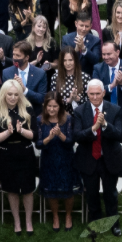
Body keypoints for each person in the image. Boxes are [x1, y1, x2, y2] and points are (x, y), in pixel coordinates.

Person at [74, 79, 122, 232]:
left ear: (103, 93)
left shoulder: (114, 110)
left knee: (110, 194)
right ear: (87, 94)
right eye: (91, 94)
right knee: (92, 195)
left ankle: (113, 225)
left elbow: (120, 134)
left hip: (109, 159)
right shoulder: (80, 112)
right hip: (89, 159)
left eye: (98, 94)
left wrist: (105, 125)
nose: (95, 97)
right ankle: (95, 224)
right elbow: (77, 136)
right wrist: (94, 128)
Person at [0, 78, 38, 235]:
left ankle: (28, 221)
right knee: (11, 190)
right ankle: (17, 222)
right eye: (9, 94)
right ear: (4, 94)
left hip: (25, 152)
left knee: (28, 189)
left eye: (16, 94)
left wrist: (21, 131)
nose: (12, 97)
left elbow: (35, 136)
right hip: (6, 153)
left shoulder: (28, 109)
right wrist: (8, 132)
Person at [38, 94, 78, 232]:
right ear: (45, 106)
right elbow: (38, 144)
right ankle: (55, 216)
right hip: (49, 160)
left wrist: (60, 135)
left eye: (55, 106)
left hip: (66, 159)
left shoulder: (68, 120)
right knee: (51, 189)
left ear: (60, 106)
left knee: (68, 189)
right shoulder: (40, 120)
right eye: (49, 106)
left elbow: (70, 142)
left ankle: (68, 216)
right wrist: (49, 137)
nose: (52, 109)